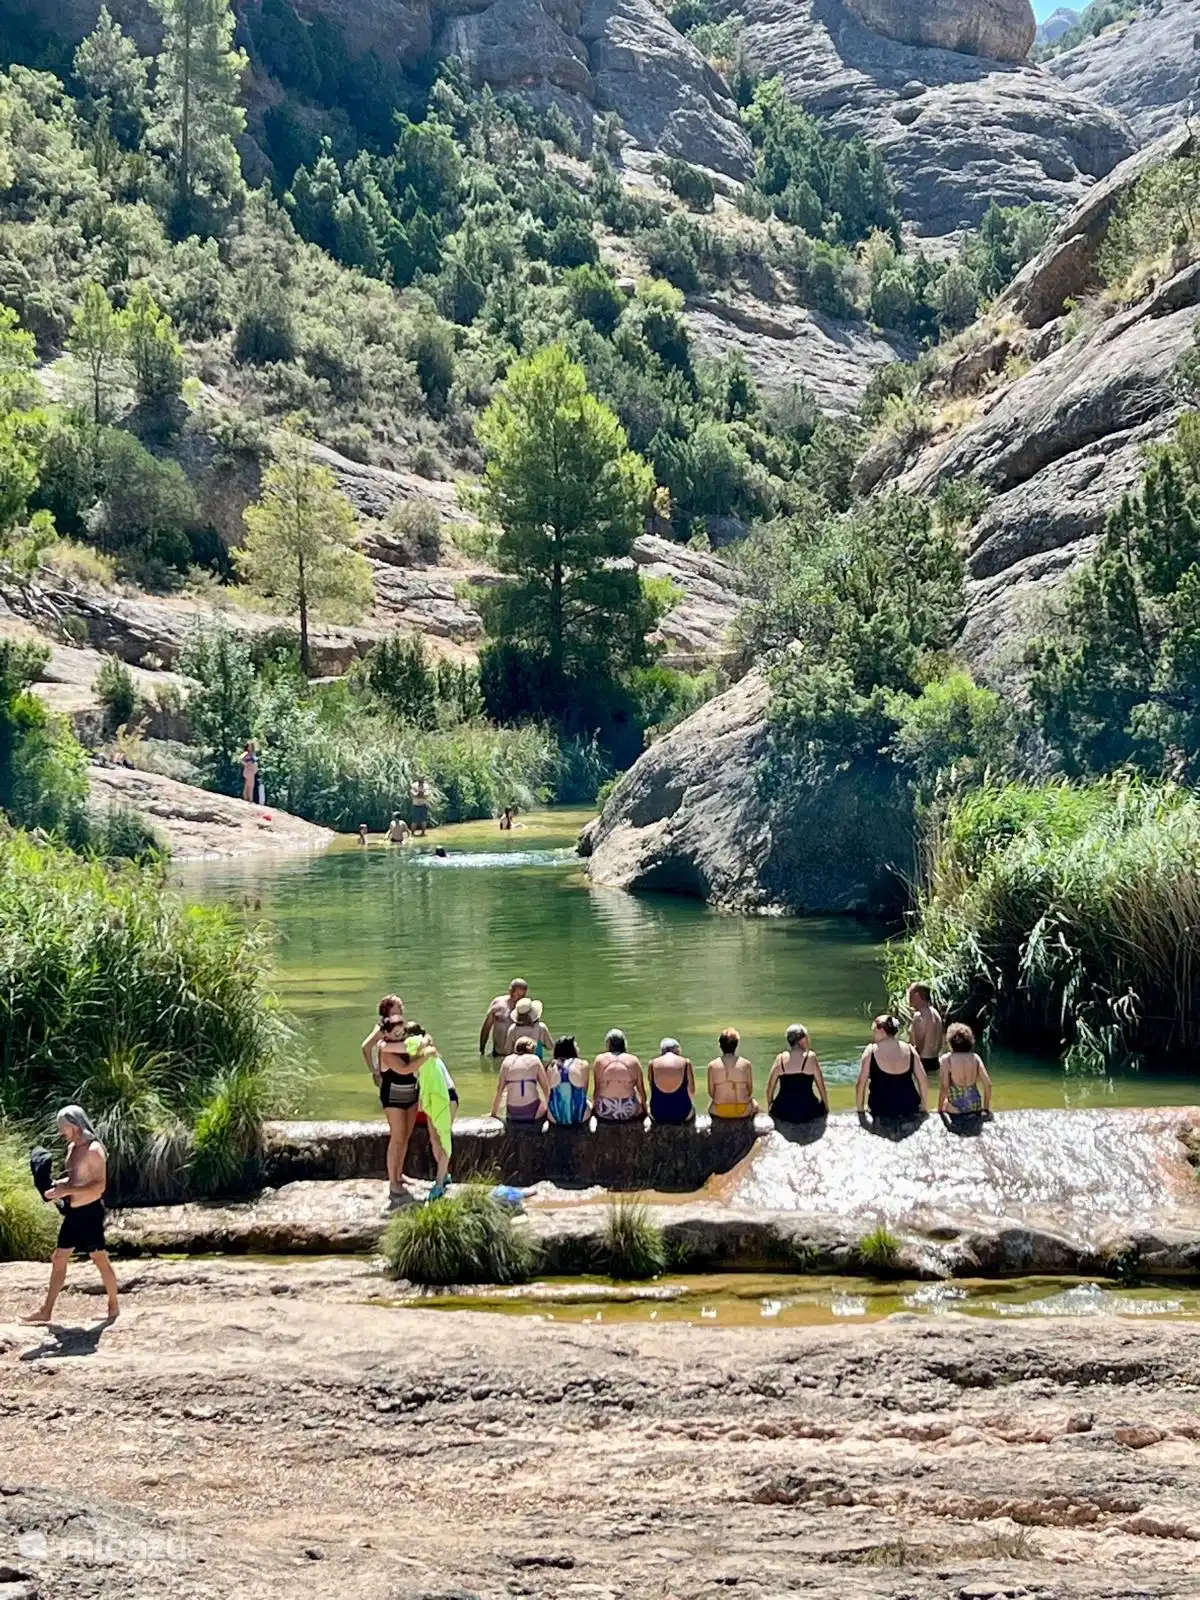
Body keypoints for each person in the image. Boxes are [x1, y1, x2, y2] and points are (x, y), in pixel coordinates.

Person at [23, 1105, 119, 1325]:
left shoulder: (95, 1150)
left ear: (76, 1125)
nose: (61, 1132)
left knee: (99, 1258)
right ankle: (46, 1310)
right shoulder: (72, 1148)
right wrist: (56, 1188)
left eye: (63, 1127)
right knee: (59, 1258)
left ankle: (113, 1307)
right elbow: (74, 1181)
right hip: (74, 1213)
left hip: (90, 1212)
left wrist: (67, 1191)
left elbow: (99, 1187)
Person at [374, 999, 421, 1204]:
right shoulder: (384, 1048)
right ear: (385, 1032)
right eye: (394, 1029)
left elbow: (417, 1044)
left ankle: (400, 1174)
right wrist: (424, 1055)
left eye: (401, 1027)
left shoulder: (405, 1044)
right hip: (393, 1096)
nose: (399, 1031)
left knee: (406, 1137)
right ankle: (392, 1183)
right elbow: (404, 1069)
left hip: (411, 1093)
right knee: (397, 1137)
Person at [856, 1014, 927, 1122]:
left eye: (874, 1031)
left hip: (881, 1108)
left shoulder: (871, 1051)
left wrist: (860, 1110)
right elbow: (923, 1080)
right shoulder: (910, 1049)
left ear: (882, 1032)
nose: (873, 1035)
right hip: (909, 1106)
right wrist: (923, 1106)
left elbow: (861, 1083)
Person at [766, 1024, 828, 1123]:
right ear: (801, 1040)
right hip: (808, 1110)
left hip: (783, 1111)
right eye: (806, 1037)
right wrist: (826, 1107)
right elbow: (821, 1086)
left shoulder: (780, 1059)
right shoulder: (810, 1057)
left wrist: (770, 1105)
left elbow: (769, 1089)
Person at [939, 1023, 993, 1119]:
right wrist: (986, 1109)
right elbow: (988, 1084)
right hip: (975, 1106)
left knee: (945, 1104)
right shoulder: (975, 1057)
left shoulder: (947, 1059)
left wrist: (939, 1110)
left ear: (950, 1042)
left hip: (956, 1108)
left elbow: (944, 1088)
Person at [491, 1036, 550, 1125]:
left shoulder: (507, 1061)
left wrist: (493, 1114)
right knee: (544, 1105)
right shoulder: (535, 1060)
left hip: (512, 1112)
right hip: (534, 1111)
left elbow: (499, 1090)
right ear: (532, 1049)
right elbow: (546, 1089)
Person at [592, 1029, 646, 1123]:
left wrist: (593, 1109)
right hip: (629, 1111)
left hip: (605, 1111)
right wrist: (645, 1110)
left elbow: (597, 1090)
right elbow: (641, 1090)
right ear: (624, 1043)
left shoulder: (599, 1060)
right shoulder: (633, 1060)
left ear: (608, 1044)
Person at [707, 1029, 758, 1120]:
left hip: (719, 1110)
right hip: (743, 1110)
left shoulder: (712, 1065)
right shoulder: (746, 1064)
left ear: (720, 1045)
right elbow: (750, 1090)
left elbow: (711, 1093)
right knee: (755, 1104)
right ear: (736, 1045)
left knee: (710, 1105)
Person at [646, 1038, 695, 1125]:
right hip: (682, 1114)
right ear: (677, 1050)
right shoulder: (686, 1063)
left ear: (662, 1051)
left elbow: (651, 1087)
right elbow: (692, 1090)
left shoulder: (652, 1064)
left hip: (657, 1114)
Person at [546, 1035, 590, 1126]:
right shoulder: (582, 1064)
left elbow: (549, 1093)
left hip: (555, 1117)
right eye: (576, 1046)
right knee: (589, 1102)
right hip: (580, 1117)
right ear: (571, 1049)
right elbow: (584, 1091)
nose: (578, 1048)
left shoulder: (551, 1066)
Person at [479, 978, 528, 1057]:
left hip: (518, 1056)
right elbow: (486, 1027)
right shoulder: (497, 1003)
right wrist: (482, 1049)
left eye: (523, 996)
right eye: (518, 995)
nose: (520, 999)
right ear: (511, 992)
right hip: (498, 1053)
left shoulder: (527, 1008)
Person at [907, 983, 945, 1080]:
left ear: (916, 995)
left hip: (922, 1062)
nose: (908, 997)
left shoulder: (919, 1016)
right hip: (935, 1061)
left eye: (909, 993)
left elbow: (919, 1045)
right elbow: (941, 1041)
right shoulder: (935, 1013)